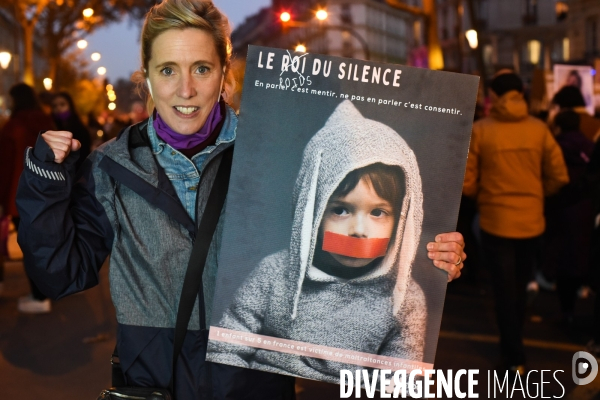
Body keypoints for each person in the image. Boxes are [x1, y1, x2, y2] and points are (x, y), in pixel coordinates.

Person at [15, 0, 466, 398]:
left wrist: (431, 254)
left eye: (202, 69)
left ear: (224, 73)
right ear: (147, 78)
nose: (185, 89)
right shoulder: (112, 168)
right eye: (167, 70)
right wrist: (44, 181)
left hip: (252, 387)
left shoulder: (279, 159)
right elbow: (58, 276)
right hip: (154, 384)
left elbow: (356, 244)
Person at [211, 101, 430, 383]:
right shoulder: (273, 273)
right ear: (310, 210)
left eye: (378, 212)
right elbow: (224, 350)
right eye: (340, 210)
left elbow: (401, 384)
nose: (359, 230)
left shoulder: (405, 300)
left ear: (401, 218)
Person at [463, 71, 569, 374]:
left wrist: (485, 195)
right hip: (531, 221)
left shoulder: (482, 130)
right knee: (520, 288)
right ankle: (516, 348)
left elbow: (467, 183)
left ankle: (513, 355)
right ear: (520, 94)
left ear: (494, 97)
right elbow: (559, 175)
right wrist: (536, 195)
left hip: (496, 221)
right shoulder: (539, 129)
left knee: (502, 290)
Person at [0, 83, 55, 312]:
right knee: (45, 245)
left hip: (19, 196)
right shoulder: (46, 122)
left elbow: (5, 166)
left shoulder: (14, 127)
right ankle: (47, 291)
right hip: (47, 193)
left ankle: (39, 296)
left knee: (30, 249)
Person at [543, 110, 594, 324]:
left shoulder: (556, 146)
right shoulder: (590, 146)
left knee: (562, 256)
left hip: (562, 208)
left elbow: (556, 177)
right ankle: (574, 306)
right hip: (587, 208)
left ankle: (566, 310)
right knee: (580, 256)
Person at [50, 91, 91, 171]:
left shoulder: (80, 129)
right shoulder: (50, 127)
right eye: (55, 106)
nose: (58, 108)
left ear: (70, 105)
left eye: (62, 104)